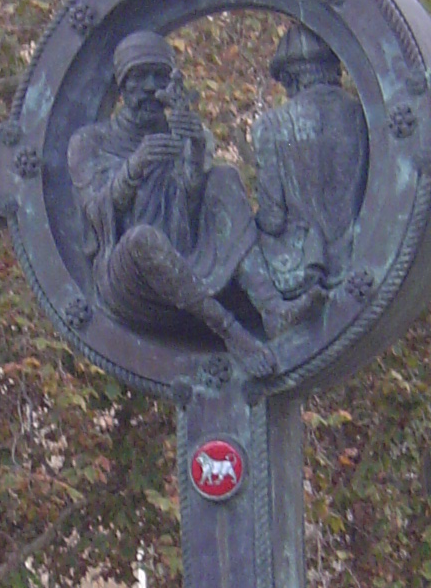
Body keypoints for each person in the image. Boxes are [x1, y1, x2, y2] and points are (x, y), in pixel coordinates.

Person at [69, 31, 312, 376]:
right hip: (129, 274)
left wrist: (194, 154)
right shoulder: (91, 141)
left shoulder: (178, 131)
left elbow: (191, 204)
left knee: (224, 177)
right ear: (122, 86)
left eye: (159, 76)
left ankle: (271, 307)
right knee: (143, 238)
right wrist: (134, 168)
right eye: (140, 77)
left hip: (186, 255)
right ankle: (230, 331)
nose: (151, 87)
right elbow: (94, 212)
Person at [252, 25, 367, 300]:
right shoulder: (366, 117)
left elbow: (272, 219)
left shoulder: (271, 125)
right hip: (362, 258)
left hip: (301, 272)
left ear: (289, 78)